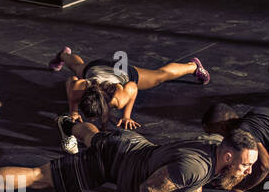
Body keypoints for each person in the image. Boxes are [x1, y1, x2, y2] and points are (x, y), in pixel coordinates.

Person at [0, 122, 257, 192]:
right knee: (38, 179)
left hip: (128, 143)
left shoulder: (214, 147)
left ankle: (70, 123)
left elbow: (194, 178)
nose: (247, 171)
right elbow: (150, 189)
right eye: (245, 165)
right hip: (111, 163)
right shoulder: (197, 166)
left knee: (95, 136)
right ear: (228, 155)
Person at [49, 44, 210, 151]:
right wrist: (74, 111)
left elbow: (132, 87)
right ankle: (63, 54)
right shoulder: (79, 88)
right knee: (77, 68)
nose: (91, 120)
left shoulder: (118, 98)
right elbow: (71, 82)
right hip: (97, 68)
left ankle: (193, 66)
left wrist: (126, 116)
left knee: (160, 75)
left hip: (123, 72)